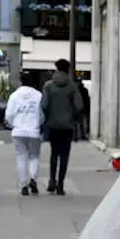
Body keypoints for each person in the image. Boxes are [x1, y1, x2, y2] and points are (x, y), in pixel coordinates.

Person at [41, 58, 84, 196]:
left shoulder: (48, 85)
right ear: (68, 69)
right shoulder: (72, 86)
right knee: (64, 155)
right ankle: (60, 185)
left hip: (53, 125)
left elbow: (43, 105)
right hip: (67, 126)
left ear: (57, 68)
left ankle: (51, 180)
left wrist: (48, 118)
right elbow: (79, 106)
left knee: (54, 153)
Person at [5, 68, 44, 196]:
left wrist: (12, 125)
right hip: (34, 130)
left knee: (21, 157)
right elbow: (42, 114)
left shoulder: (14, 96)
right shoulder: (38, 95)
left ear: (21, 81)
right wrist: (39, 124)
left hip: (18, 131)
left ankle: (23, 184)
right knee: (34, 156)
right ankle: (33, 178)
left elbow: (9, 115)